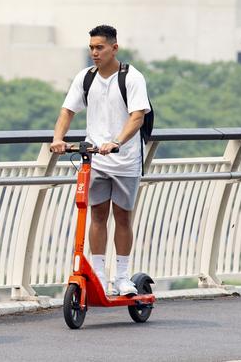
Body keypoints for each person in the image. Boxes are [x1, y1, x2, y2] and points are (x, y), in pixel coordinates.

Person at [50, 24, 151, 296]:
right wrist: (58, 138)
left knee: (122, 217)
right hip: (95, 159)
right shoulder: (86, 78)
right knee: (96, 215)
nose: (95, 53)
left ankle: (121, 276)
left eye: (100, 47)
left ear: (114, 48)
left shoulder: (131, 78)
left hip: (125, 158)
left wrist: (117, 141)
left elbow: (137, 116)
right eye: (92, 48)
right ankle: (97, 274)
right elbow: (67, 111)